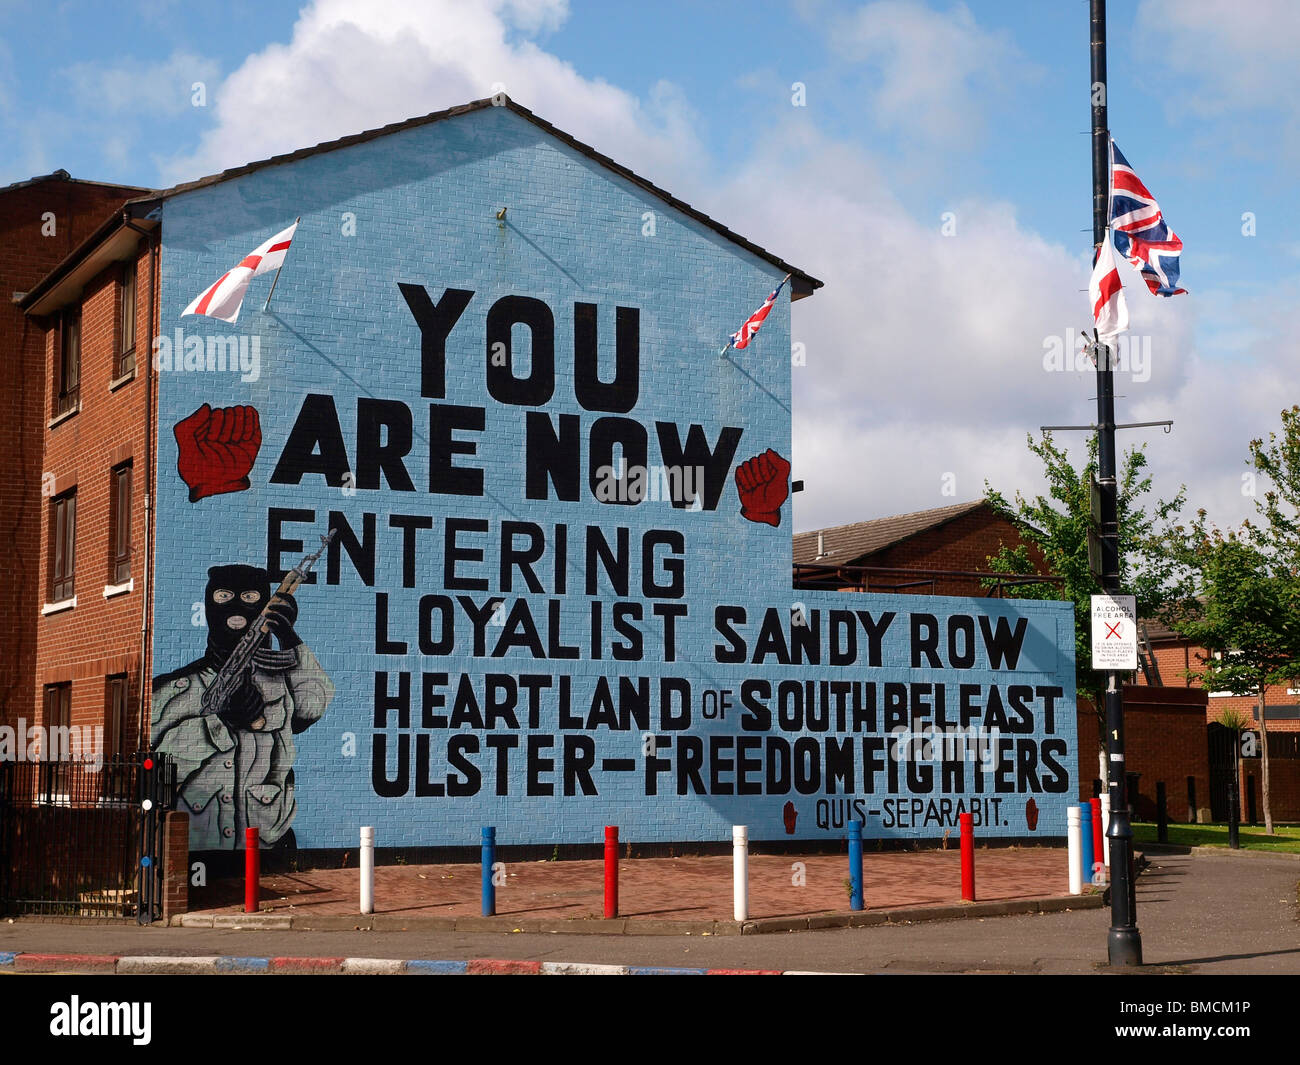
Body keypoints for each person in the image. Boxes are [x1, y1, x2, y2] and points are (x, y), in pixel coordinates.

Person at [152, 563, 333, 851]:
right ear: (209, 605)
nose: (236, 607)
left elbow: (313, 705)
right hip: (201, 842)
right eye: (223, 596)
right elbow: (158, 770)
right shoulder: (172, 689)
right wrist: (217, 723)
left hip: (268, 840)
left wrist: (290, 639)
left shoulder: (279, 681)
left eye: (249, 598)